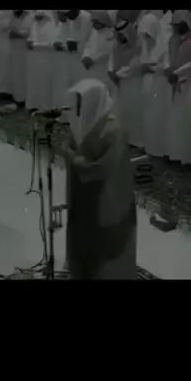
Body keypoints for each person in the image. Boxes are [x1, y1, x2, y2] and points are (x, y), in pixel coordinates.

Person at [62, 79, 137, 279]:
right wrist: (74, 158)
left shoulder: (114, 129)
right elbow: (67, 147)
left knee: (109, 246)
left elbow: (107, 166)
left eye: (82, 100)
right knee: (82, 236)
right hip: (82, 196)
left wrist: (78, 161)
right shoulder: (77, 123)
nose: (78, 105)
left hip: (107, 197)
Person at [166, 10, 191, 166]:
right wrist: (169, 69)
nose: (176, 28)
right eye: (174, 25)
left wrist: (177, 73)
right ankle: (178, 156)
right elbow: (169, 58)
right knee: (178, 121)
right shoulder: (173, 39)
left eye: (179, 25)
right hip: (177, 84)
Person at [138, 12, 172, 158]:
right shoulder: (146, 45)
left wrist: (151, 69)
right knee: (148, 117)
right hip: (147, 83)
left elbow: (167, 66)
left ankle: (160, 150)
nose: (146, 37)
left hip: (161, 84)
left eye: (148, 34)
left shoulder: (164, 43)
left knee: (159, 118)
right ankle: (150, 147)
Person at [108, 18, 143, 148]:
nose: (119, 37)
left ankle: (136, 142)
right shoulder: (115, 44)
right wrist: (111, 72)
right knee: (120, 112)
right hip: (118, 83)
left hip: (133, 83)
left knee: (134, 112)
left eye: (121, 34)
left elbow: (135, 65)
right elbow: (111, 60)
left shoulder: (137, 45)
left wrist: (118, 75)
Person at [26, 10, 58, 111]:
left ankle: (45, 107)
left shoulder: (50, 25)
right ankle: (33, 105)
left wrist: (35, 45)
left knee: (45, 83)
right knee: (34, 82)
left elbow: (52, 43)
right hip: (34, 58)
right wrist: (29, 41)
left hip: (46, 58)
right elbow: (31, 37)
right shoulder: (35, 23)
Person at [81, 11, 115, 91]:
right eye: (93, 22)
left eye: (96, 22)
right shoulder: (94, 32)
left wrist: (94, 59)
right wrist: (86, 56)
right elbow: (88, 46)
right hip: (92, 70)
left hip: (104, 70)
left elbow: (110, 52)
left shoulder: (112, 34)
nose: (94, 24)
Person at [8, 10, 33, 105]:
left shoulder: (29, 16)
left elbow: (28, 34)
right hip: (14, 49)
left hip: (25, 50)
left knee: (24, 74)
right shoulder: (12, 16)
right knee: (16, 74)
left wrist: (17, 34)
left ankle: (25, 98)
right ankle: (18, 98)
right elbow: (10, 32)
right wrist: (15, 34)